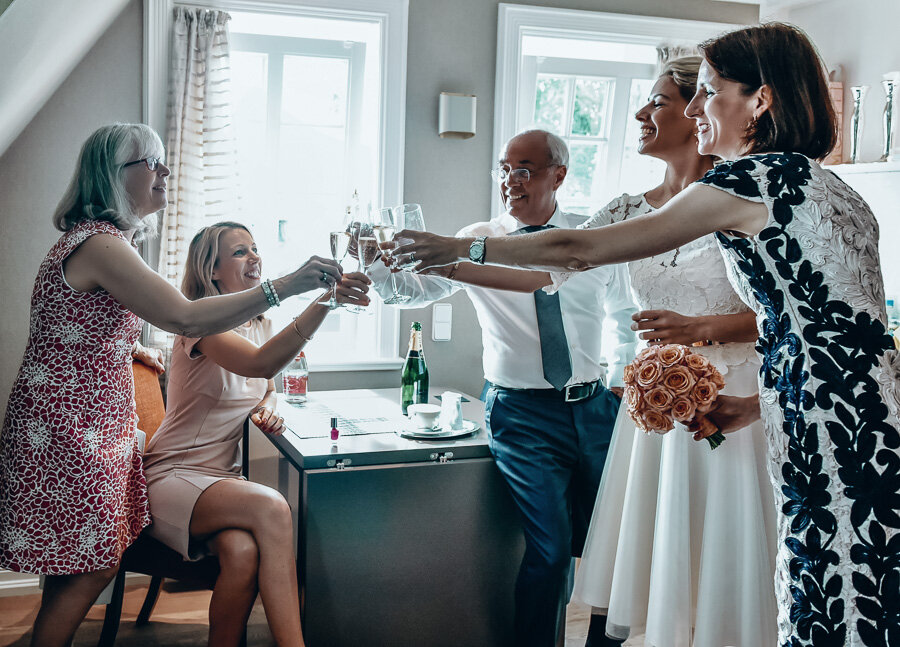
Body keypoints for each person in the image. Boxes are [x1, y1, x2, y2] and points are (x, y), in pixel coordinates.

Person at [394, 23, 900, 647]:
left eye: (709, 92)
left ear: (760, 101)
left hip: (821, 421)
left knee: (829, 590)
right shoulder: (834, 188)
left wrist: (460, 246)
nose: (696, 109)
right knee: (867, 579)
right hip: (862, 408)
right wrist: (755, 405)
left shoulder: (750, 179)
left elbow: (579, 249)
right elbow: (838, 329)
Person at [0, 123, 345, 647]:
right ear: (113, 175)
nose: (164, 171)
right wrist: (291, 284)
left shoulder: (104, 244)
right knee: (89, 568)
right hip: (71, 429)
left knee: (82, 568)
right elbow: (185, 317)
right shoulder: (99, 244)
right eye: (151, 162)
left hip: (87, 427)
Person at [369, 129, 638, 647]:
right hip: (522, 415)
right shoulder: (477, 238)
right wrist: (379, 267)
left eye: (525, 169)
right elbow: (414, 289)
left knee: (613, 547)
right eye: (504, 169)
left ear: (559, 175)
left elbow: (624, 314)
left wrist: (622, 382)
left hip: (597, 409)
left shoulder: (590, 236)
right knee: (551, 553)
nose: (511, 180)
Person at [570, 57, 777, 647]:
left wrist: (701, 329)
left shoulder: (742, 197)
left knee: (725, 557)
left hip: (733, 399)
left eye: (657, 101)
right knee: (651, 557)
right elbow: (555, 260)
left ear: (696, 110)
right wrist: (453, 259)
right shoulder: (627, 209)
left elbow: (786, 314)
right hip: (655, 409)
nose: (641, 113)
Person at [142, 222, 369, 647]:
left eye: (255, 248)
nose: (255, 257)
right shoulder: (200, 323)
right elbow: (261, 364)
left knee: (243, 554)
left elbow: (266, 386)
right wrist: (326, 301)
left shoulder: (259, 323)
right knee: (273, 507)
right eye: (240, 252)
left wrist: (269, 406)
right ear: (212, 271)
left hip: (222, 479)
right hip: (173, 474)